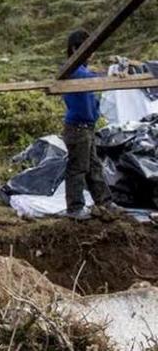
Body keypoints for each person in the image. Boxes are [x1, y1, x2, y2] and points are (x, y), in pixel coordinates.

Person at [61, 29, 123, 221]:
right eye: (87, 49)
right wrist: (108, 75)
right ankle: (75, 208)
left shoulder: (83, 72)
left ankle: (104, 202)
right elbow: (90, 78)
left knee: (94, 167)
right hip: (77, 128)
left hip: (86, 127)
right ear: (75, 49)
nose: (92, 54)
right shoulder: (72, 71)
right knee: (78, 168)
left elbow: (91, 78)